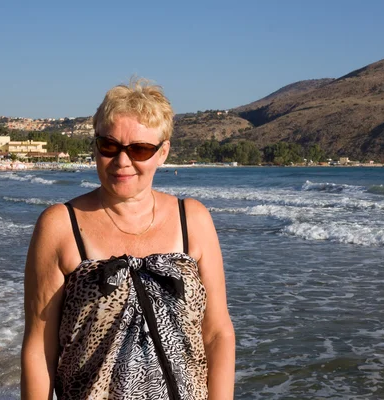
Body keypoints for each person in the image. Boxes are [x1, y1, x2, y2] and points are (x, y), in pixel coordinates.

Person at [21, 79, 235, 399]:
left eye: (139, 149)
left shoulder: (194, 220)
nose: (123, 161)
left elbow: (218, 333)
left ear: (162, 153)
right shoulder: (59, 226)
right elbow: (39, 347)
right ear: (95, 146)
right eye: (110, 146)